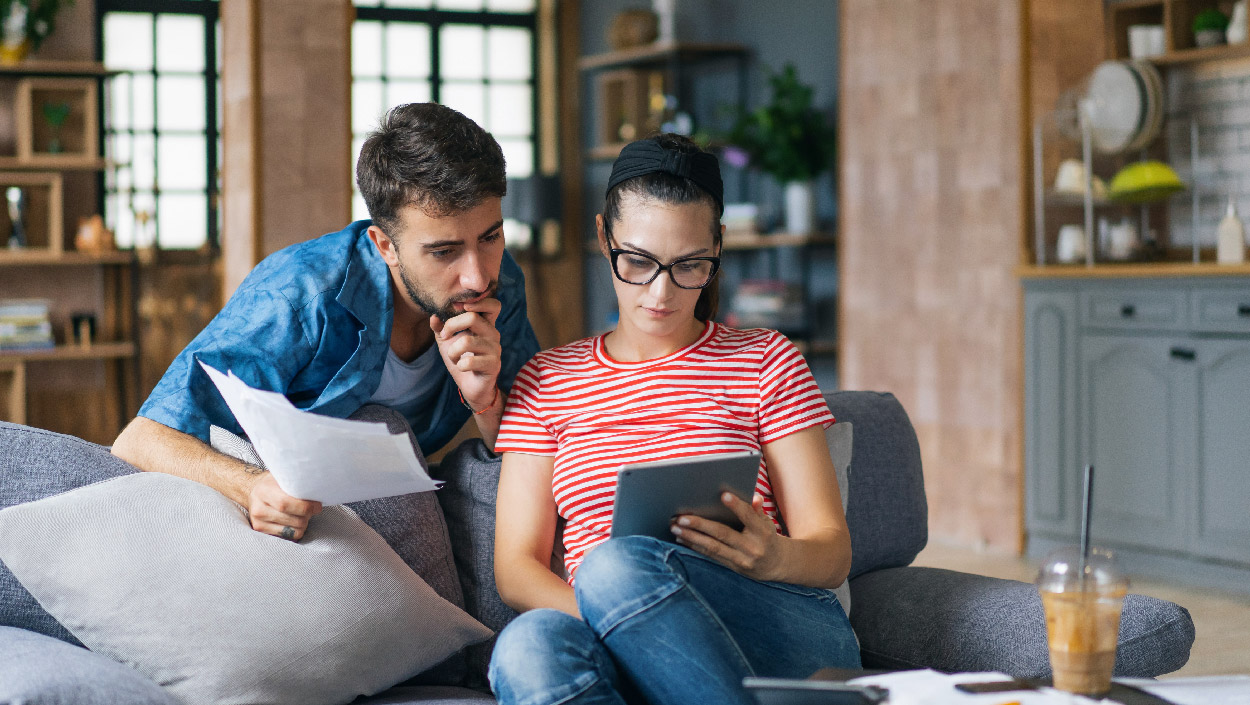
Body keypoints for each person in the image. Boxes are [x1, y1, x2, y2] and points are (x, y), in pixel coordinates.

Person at [489, 134, 859, 705]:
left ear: (718, 248)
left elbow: (832, 551)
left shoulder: (766, 359)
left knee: (613, 568)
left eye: (690, 266)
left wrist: (778, 556)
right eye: (637, 261)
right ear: (602, 237)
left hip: (773, 623)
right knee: (527, 646)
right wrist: (620, 619)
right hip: (615, 634)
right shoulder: (548, 379)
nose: (661, 293)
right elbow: (516, 570)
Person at [111, 102, 541, 542]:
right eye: (443, 251)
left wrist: (485, 402)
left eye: (490, 237)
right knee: (379, 425)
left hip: (404, 492)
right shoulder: (300, 293)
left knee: (503, 480)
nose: (477, 276)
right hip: (284, 506)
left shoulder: (499, 282)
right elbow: (140, 440)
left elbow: (533, 443)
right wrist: (251, 486)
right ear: (385, 246)